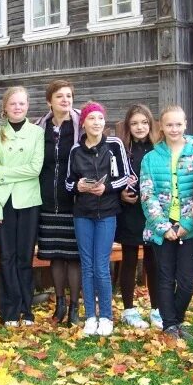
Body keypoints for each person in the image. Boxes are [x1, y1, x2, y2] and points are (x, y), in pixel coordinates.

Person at [141, 105, 193, 339]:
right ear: (162, 126)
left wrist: (186, 225)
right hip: (163, 227)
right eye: (169, 124)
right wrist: (163, 226)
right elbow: (147, 194)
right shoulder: (151, 158)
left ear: (185, 124)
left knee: (187, 281)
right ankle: (170, 325)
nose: (174, 129)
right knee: (165, 277)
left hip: (189, 226)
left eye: (178, 124)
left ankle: (176, 319)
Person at [66, 102, 131, 337]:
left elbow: (126, 176)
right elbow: (68, 183)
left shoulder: (114, 145)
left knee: (101, 266)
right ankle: (90, 316)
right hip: (83, 213)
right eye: (91, 119)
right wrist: (78, 186)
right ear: (83, 122)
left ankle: (106, 316)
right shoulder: (76, 150)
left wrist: (108, 188)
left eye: (100, 119)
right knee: (87, 265)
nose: (96, 123)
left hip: (107, 212)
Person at [0, 86, 44, 327]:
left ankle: (26, 309)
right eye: (13, 104)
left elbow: (35, 169)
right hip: (3, 201)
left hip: (29, 201)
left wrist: (4, 173)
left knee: (24, 257)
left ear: (28, 106)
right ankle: (9, 311)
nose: (18, 107)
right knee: (6, 257)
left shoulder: (36, 132)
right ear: (5, 107)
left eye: (22, 103)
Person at [35, 80, 82, 326]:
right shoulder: (39, 128)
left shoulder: (82, 126)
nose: (65, 100)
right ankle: (60, 304)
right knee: (55, 255)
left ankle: (75, 307)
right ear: (49, 101)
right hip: (46, 198)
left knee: (73, 256)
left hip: (72, 199)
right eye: (60, 96)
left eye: (69, 96)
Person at [116, 104, 161, 330]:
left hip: (152, 213)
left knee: (153, 262)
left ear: (151, 124)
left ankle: (156, 309)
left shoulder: (158, 149)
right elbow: (114, 178)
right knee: (130, 259)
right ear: (128, 126)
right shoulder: (123, 150)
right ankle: (129, 310)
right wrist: (121, 194)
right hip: (130, 212)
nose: (139, 127)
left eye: (144, 122)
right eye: (134, 123)